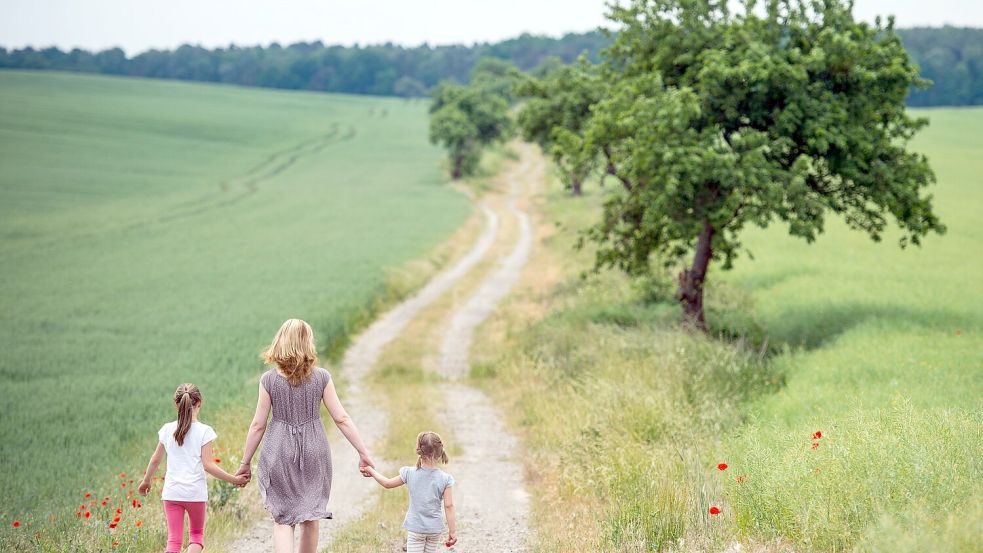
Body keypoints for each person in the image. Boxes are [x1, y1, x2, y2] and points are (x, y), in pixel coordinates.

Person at [235, 318, 375, 553]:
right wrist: (363, 452)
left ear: (280, 342)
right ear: (307, 343)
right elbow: (341, 418)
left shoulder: (268, 380)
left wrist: (245, 463)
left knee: (282, 520)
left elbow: (258, 425)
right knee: (310, 518)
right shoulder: (321, 377)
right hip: (314, 449)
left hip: (278, 450)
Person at [138, 383, 248, 553]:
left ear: (176, 404)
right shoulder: (205, 431)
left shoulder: (167, 430)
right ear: (200, 403)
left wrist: (146, 481)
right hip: (195, 493)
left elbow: (155, 460)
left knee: (173, 541)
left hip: (172, 493)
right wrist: (234, 480)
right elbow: (208, 465)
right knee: (196, 536)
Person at [361, 431, 457, 552]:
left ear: (419, 450)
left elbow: (387, 483)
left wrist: (371, 470)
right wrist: (452, 531)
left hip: (416, 528)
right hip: (434, 529)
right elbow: (449, 506)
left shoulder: (409, 473)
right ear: (440, 452)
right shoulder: (445, 478)